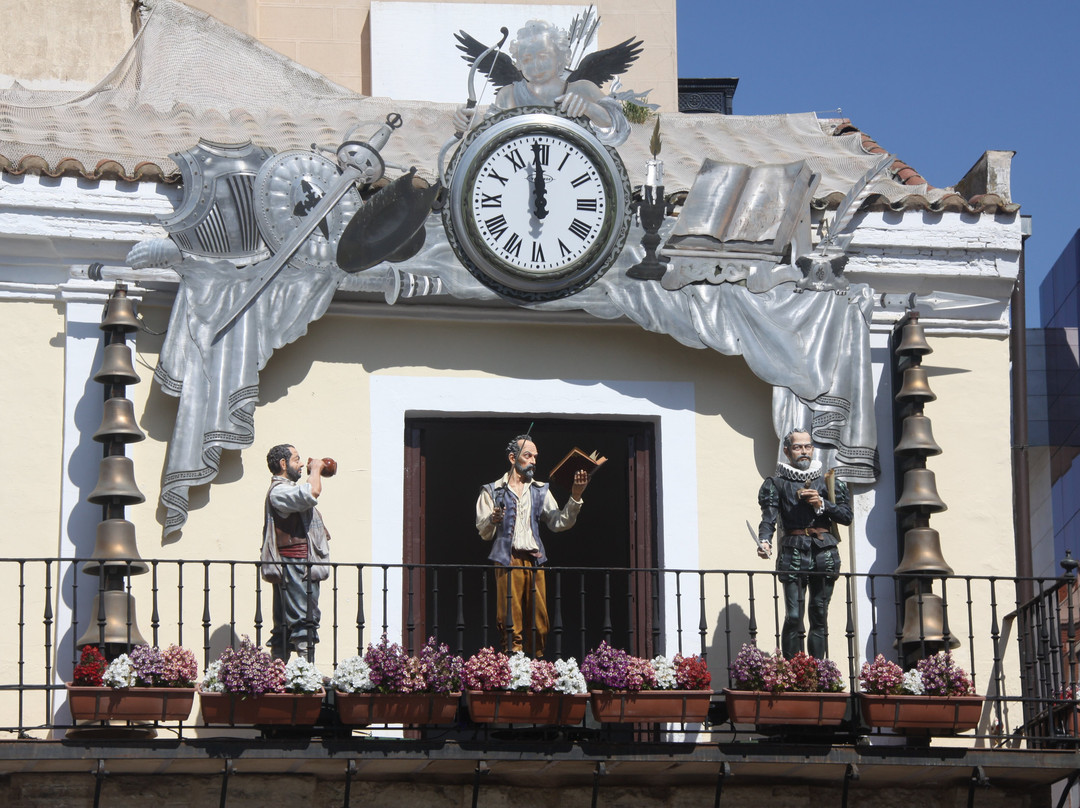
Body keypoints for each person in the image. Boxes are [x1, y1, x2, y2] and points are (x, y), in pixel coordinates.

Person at [475, 434, 590, 657]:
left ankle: (537, 665)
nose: (533, 461)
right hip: (508, 559)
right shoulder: (493, 490)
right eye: (527, 456)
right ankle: (513, 663)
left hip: (535, 559)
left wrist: (575, 496)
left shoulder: (539, 490)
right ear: (512, 458)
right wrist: (493, 520)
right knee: (510, 617)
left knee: (539, 619)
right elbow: (483, 531)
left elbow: (558, 522)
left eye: (535, 457)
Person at [453, 20, 630, 146]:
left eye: (543, 56)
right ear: (520, 64)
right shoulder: (509, 95)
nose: (536, 65)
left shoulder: (582, 89)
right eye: (527, 59)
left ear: (561, 58)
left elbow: (619, 128)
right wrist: (475, 123)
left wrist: (588, 108)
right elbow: (494, 132)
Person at [756, 429, 852, 659]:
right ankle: (792, 671)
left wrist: (823, 504)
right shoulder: (776, 484)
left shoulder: (830, 482)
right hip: (793, 552)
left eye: (807, 446)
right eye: (798, 447)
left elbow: (846, 517)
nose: (804, 451)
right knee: (794, 615)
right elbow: (768, 518)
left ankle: (818, 672)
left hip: (825, 552)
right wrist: (765, 541)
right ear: (787, 451)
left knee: (819, 614)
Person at [261, 444, 331, 660]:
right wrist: (316, 469)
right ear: (283, 464)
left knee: (286, 621)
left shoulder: (286, 490)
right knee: (303, 618)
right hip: (295, 563)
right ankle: (306, 671)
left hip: (298, 562)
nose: (301, 464)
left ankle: (278, 669)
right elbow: (312, 492)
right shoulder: (280, 492)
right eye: (296, 459)